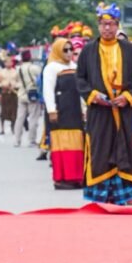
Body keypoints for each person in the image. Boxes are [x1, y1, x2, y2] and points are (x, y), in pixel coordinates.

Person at [76, 3, 132, 206]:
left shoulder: (129, 50)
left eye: (111, 24)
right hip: (99, 112)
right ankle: (97, 196)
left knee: (124, 149)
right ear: (98, 26)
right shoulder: (88, 51)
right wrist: (92, 96)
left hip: (122, 113)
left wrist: (128, 96)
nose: (107, 28)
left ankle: (125, 195)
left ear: (117, 25)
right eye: (103, 24)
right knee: (99, 150)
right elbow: (80, 78)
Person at [43, 37, 83, 190]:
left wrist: (84, 110)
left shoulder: (75, 66)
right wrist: (52, 110)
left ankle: (76, 177)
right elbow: (48, 91)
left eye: (70, 49)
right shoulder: (51, 68)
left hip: (75, 111)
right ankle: (61, 179)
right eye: (65, 50)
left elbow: (80, 92)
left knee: (76, 144)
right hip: (60, 112)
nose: (68, 53)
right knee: (62, 146)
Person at [14, 50, 43, 149]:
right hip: (33, 95)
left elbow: (17, 81)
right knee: (33, 118)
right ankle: (32, 140)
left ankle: (17, 141)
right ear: (30, 57)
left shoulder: (18, 68)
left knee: (20, 118)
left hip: (21, 95)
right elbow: (40, 80)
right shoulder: (35, 68)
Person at [0, 56, 18, 135]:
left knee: (14, 111)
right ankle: (2, 129)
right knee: (3, 111)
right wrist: (3, 85)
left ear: (12, 63)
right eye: (7, 62)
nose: (8, 63)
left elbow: (19, 82)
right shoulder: (1, 72)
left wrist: (14, 85)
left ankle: (13, 127)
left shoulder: (16, 71)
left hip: (13, 93)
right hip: (4, 93)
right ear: (4, 63)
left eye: (10, 62)